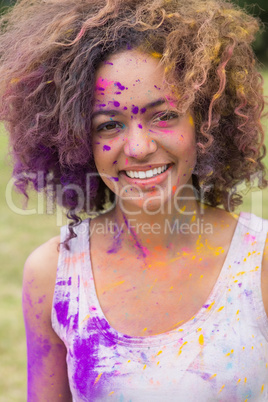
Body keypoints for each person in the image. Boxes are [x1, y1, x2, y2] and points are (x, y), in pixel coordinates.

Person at [0, 0, 268, 400]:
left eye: (164, 116)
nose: (139, 147)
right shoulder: (54, 275)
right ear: (75, 141)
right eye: (109, 125)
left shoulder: (259, 260)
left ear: (206, 120)